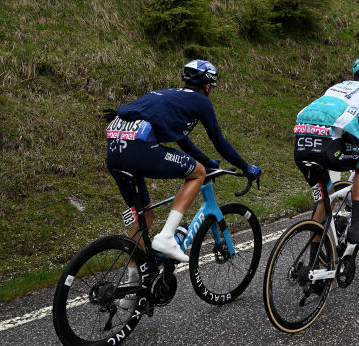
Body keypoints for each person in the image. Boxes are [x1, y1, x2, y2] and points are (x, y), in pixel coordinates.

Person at [105, 60, 260, 307]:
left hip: (115, 147)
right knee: (197, 174)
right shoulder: (200, 101)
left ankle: (132, 287)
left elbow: (183, 141)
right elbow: (219, 141)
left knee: (145, 216)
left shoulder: (170, 97)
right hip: (138, 145)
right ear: (208, 86)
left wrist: (209, 161)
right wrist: (246, 167)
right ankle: (167, 237)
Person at [294, 53, 359, 246]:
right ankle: (355, 227)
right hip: (327, 146)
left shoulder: (335, 88)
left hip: (301, 146)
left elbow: (341, 128)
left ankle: (310, 267)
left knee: (326, 198)